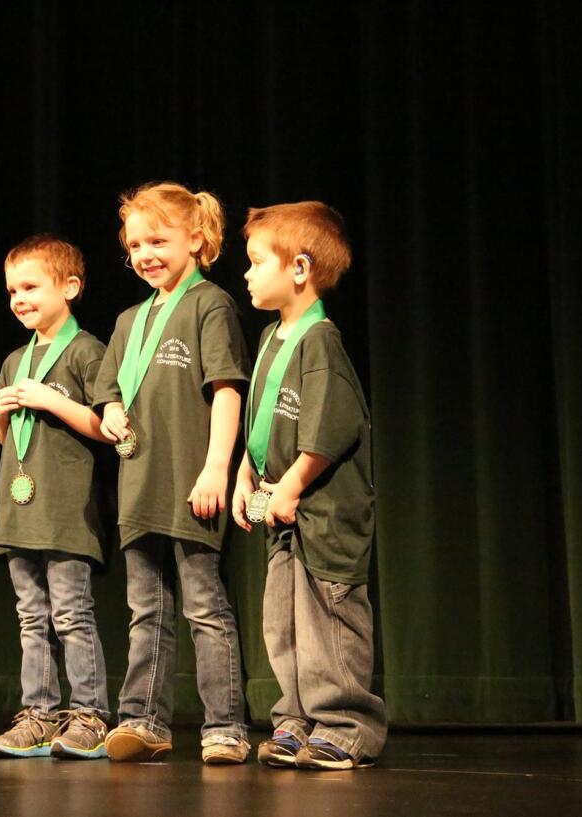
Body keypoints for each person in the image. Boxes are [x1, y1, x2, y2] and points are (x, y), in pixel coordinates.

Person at [94, 181, 252, 764]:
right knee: (146, 612)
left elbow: (228, 388)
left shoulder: (209, 304)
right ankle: (144, 720)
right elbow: (109, 390)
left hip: (192, 484)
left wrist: (217, 467)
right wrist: (110, 410)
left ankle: (225, 726)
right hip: (139, 489)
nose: (144, 254)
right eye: (135, 244)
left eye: (157, 240)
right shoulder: (128, 320)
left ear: (196, 238)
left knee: (205, 608)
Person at [232, 202, 386, 770]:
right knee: (286, 620)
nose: (246, 274)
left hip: (324, 514)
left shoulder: (320, 341)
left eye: (255, 262)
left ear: (299, 268)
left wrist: (292, 484)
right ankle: (296, 718)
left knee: (329, 618)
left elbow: (330, 427)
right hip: (283, 510)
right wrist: (248, 472)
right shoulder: (276, 337)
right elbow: (265, 417)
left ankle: (346, 726)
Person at [0, 235, 112, 759]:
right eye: (13, 289)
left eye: (31, 286)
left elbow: (107, 427)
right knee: (32, 616)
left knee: (71, 614)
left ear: (71, 287)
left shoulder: (87, 351)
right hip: (18, 513)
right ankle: (38, 712)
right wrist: (4, 412)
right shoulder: (16, 358)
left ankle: (89, 715)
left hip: (65, 513)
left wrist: (49, 401)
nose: (19, 298)